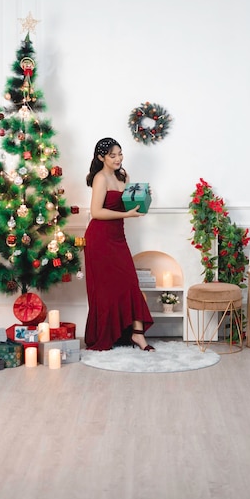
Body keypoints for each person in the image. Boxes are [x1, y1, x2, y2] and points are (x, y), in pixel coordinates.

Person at [84, 137, 155, 352]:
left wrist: (143, 200)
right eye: (112, 155)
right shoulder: (100, 178)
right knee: (106, 291)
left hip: (118, 237)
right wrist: (127, 214)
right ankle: (109, 334)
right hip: (99, 239)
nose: (118, 159)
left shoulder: (123, 176)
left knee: (131, 284)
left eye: (120, 154)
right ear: (101, 158)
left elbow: (131, 203)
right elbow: (96, 212)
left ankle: (137, 334)